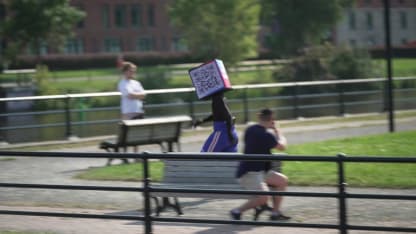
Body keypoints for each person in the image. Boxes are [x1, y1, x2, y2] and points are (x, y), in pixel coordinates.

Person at [230, 108, 290, 221]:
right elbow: (282, 146)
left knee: (282, 180)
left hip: (259, 171)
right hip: (249, 173)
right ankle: (236, 211)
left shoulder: (250, 129)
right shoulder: (267, 135)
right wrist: (278, 132)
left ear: (259, 117)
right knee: (264, 197)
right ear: (272, 120)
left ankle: (275, 213)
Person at [109, 61, 146, 165]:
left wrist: (136, 95)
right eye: (131, 71)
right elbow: (129, 95)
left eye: (134, 71)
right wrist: (138, 95)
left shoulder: (136, 83)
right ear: (125, 71)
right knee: (126, 135)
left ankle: (136, 156)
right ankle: (125, 155)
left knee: (137, 135)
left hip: (138, 111)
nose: (133, 73)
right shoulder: (122, 83)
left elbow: (143, 94)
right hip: (128, 112)